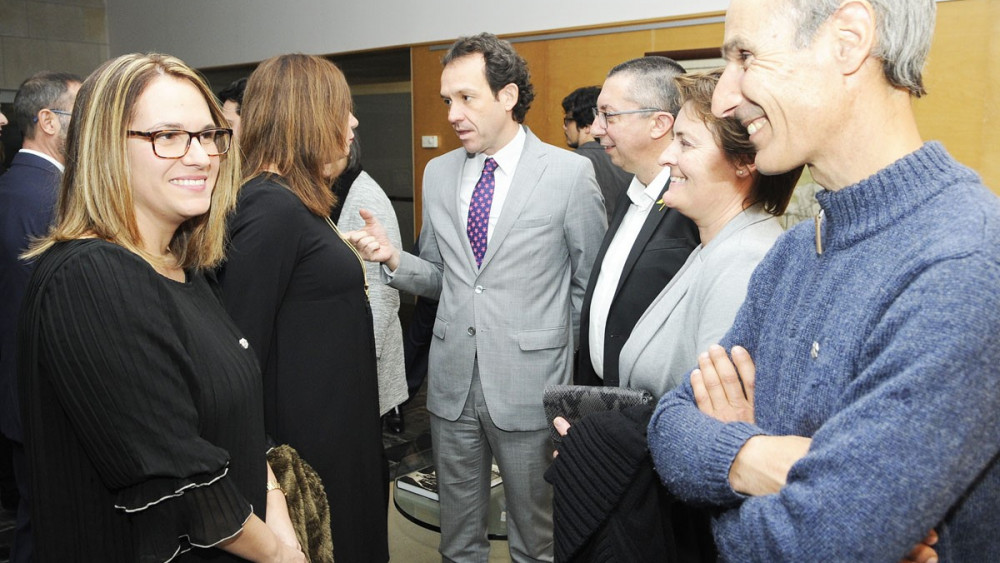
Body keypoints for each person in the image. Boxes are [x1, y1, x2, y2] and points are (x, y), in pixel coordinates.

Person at [648, 0, 1000, 560]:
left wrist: (730, 474)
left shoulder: (963, 262)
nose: (723, 99)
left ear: (849, 39)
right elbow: (670, 424)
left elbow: (810, 542)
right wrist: (760, 456)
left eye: (745, 56)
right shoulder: (794, 252)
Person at [16, 52, 302, 562]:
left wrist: (277, 509)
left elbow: (238, 421)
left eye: (208, 135)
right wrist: (281, 555)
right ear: (106, 147)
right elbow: (183, 478)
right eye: (167, 136)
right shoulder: (92, 278)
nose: (200, 156)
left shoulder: (182, 267)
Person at [348, 32, 606, 562]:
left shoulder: (568, 174)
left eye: (467, 98)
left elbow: (589, 288)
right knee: (457, 537)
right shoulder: (438, 174)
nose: (453, 113)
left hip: (531, 386)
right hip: (450, 387)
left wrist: (567, 381)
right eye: (448, 100)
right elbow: (446, 279)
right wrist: (393, 260)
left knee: (535, 538)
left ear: (508, 96)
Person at [547, 68, 801, 562]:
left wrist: (598, 449)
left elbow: (712, 437)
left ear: (744, 163)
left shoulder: (743, 261)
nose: (667, 156)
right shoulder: (711, 245)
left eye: (684, 142)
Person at [216, 53, 388, 563]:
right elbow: (237, 359)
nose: (353, 122)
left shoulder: (294, 201)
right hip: (308, 455)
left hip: (337, 435)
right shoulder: (270, 210)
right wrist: (269, 486)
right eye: (343, 109)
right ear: (306, 115)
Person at [575, 56, 699, 389]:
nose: (597, 128)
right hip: (606, 398)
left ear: (659, 124)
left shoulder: (692, 208)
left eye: (608, 115)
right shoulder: (630, 192)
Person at [0, 70, 81, 563]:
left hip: (19, 396)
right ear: (47, 121)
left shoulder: (12, 185)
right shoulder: (54, 199)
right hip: (54, 399)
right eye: (81, 112)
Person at [332, 135, 408, 429]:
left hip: (365, 362)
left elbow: (381, 292)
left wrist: (361, 361)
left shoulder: (364, 196)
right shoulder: (329, 189)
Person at [561, 86, 631, 220]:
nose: (564, 127)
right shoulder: (628, 160)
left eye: (567, 120)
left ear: (587, 125)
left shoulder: (571, 164)